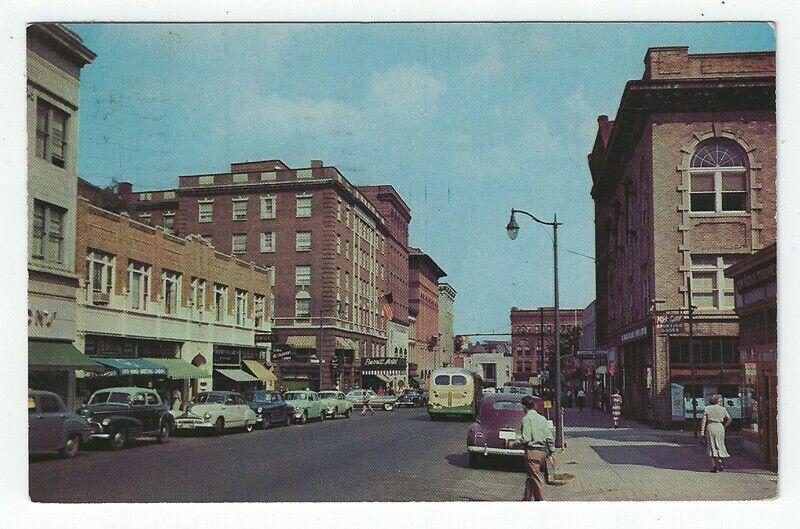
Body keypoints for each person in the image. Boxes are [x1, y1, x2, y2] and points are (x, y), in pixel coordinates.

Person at [513, 395, 556, 501]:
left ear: (524, 406)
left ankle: (543, 502)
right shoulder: (542, 418)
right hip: (542, 453)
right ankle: (526, 499)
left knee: (536, 478)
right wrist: (551, 452)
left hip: (532, 452)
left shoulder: (527, 419)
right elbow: (550, 438)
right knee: (531, 476)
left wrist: (514, 443)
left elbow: (526, 438)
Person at [700, 394, 732, 472]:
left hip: (711, 426)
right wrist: (724, 426)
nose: (720, 402)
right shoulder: (723, 409)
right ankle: (720, 461)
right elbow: (729, 419)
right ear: (718, 401)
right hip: (720, 427)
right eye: (720, 401)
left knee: (711, 445)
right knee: (719, 444)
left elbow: (704, 421)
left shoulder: (707, 408)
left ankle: (714, 465)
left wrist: (702, 432)